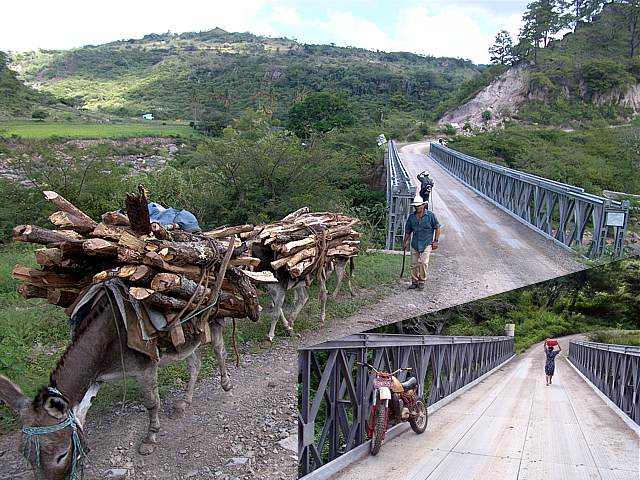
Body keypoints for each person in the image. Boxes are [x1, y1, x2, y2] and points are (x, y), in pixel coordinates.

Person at [402, 196, 442, 290]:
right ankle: (414, 281)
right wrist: (405, 242)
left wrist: (435, 241)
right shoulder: (412, 217)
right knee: (413, 263)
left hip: (426, 242)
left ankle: (422, 280)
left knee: (424, 262)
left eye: (419, 206)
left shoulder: (430, 216)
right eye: (416, 206)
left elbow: (437, 227)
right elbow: (408, 231)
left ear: (423, 205)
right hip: (415, 242)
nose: (417, 208)